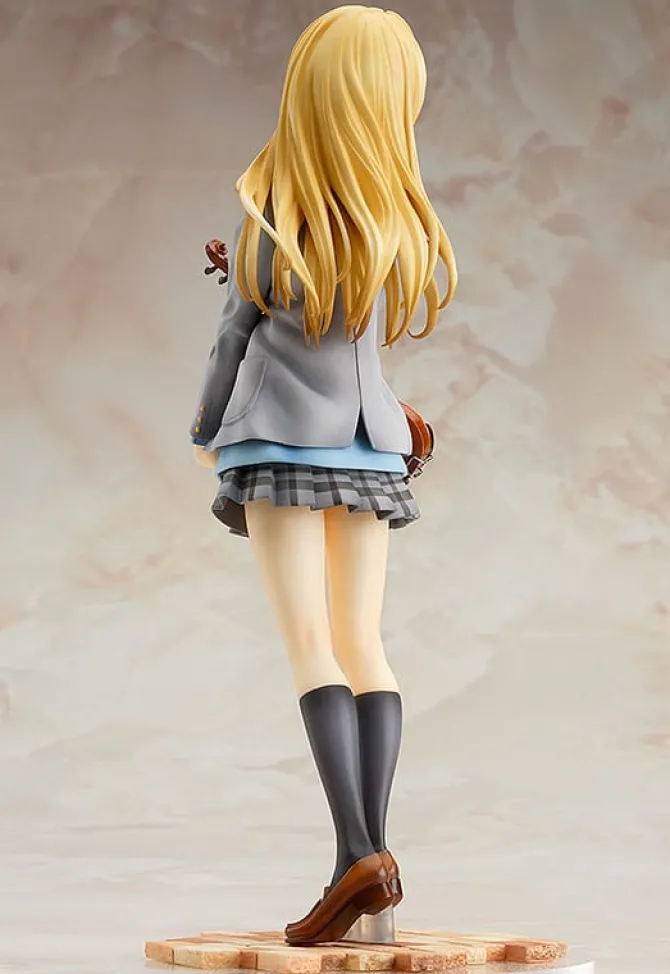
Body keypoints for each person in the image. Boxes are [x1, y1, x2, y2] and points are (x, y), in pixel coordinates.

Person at [190, 4, 457, 946]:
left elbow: (235, 340)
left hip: (280, 445)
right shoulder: (395, 225)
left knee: (311, 642)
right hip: (371, 448)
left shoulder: (273, 220)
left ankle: (357, 856)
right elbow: (352, 346)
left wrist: (204, 430)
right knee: (365, 643)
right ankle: (372, 865)